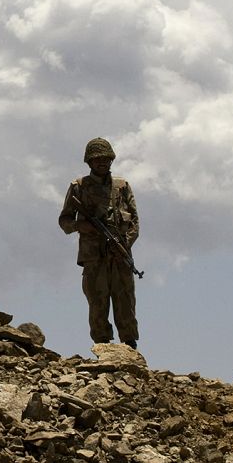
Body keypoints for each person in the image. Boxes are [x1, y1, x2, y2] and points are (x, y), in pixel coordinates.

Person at [58, 137, 140, 349]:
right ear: (89, 162)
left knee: (125, 303)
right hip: (93, 258)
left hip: (120, 256)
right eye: (97, 159)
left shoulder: (122, 187)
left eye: (105, 159)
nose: (102, 163)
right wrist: (80, 226)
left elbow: (134, 222)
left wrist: (124, 245)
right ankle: (103, 347)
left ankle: (130, 346)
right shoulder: (79, 187)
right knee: (97, 304)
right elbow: (65, 221)